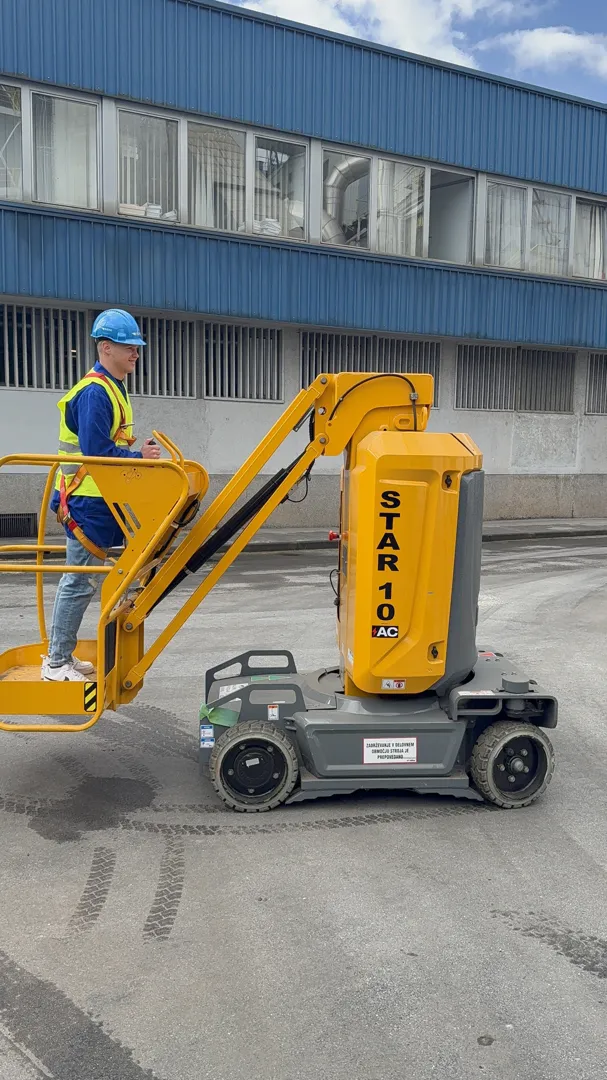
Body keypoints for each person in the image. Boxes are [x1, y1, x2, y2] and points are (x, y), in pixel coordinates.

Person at [41, 309, 161, 683]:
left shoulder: (113, 387)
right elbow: (96, 453)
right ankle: (56, 662)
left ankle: (63, 655)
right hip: (87, 501)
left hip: (102, 499)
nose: (136, 353)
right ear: (106, 347)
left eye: (137, 347)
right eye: (129, 346)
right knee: (79, 582)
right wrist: (138, 458)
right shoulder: (95, 392)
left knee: (98, 575)